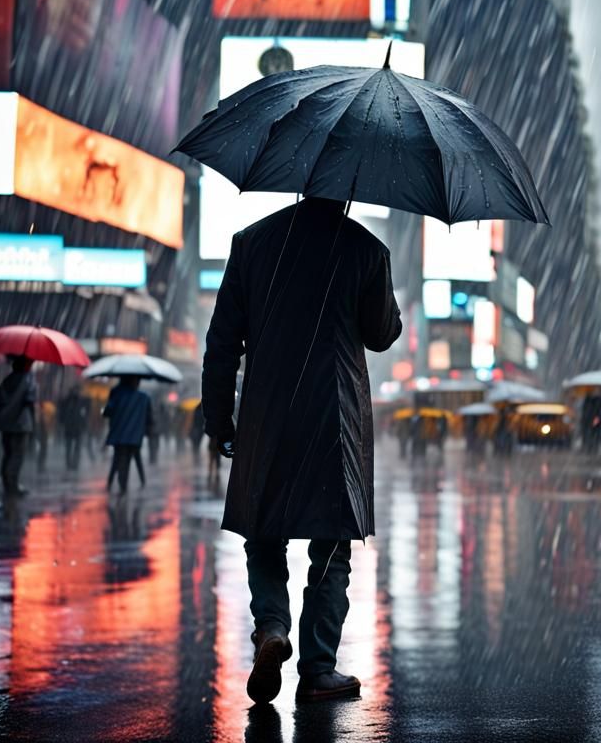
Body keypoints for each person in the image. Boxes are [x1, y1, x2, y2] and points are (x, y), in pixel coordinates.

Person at [202, 197, 401, 705]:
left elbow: (222, 341)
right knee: (330, 548)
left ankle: (271, 626)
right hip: (334, 417)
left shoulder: (252, 243)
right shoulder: (366, 249)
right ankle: (317, 667)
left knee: (264, 534)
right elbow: (382, 334)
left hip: (267, 414)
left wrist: (218, 419)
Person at [0, 356, 37, 496]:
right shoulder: (29, 380)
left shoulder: (8, 379)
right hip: (21, 424)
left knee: (8, 453)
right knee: (17, 455)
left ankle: (7, 483)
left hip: (6, 422)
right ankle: (12, 485)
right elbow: (29, 401)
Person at [103, 377, 153, 495]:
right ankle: (139, 483)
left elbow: (107, 412)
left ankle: (120, 487)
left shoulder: (116, 394)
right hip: (135, 437)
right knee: (132, 460)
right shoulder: (144, 398)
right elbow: (149, 418)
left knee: (119, 460)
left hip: (119, 436)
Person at [58, 385, 90, 470]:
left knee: (74, 447)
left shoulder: (78, 401)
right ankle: (71, 464)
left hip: (75, 427)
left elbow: (84, 415)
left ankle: (73, 464)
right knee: (71, 447)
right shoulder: (69, 401)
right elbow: (62, 414)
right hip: (72, 427)